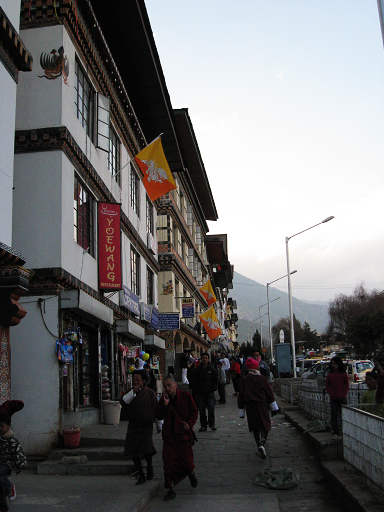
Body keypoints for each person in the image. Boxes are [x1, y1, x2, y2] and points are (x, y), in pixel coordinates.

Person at [156, 375, 199, 501]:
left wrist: (189, 424)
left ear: (175, 385)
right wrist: (164, 404)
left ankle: (191, 473)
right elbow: (158, 416)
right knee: (168, 464)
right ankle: (171, 489)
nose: (167, 388)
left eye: (169, 385)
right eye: (165, 386)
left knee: (186, 462)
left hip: (182, 435)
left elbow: (194, 412)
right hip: (169, 435)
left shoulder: (185, 396)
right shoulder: (164, 399)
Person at [119, 370, 157, 485]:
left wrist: (160, 425)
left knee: (147, 450)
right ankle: (141, 474)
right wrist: (133, 393)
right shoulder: (130, 393)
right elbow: (124, 402)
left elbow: (156, 409)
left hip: (146, 427)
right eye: (134, 380)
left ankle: (149, 468)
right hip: (134, 426)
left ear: (143, 381)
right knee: (133, 451)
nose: (136, 382)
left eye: (138, 380)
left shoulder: (150, 393)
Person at [238, 359, 278, 460]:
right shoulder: (262, 379)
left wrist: (241, 409)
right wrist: (273, 406)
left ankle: (258, 444)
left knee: (255, 426)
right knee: (265, 425)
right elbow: (269, 393)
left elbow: (241, 395)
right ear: (256, 367)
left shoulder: (245, 380)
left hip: (250, 407)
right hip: (261, 405)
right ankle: (262, 444)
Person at [0, 412, 27, 510]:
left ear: (8, 426)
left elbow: (19, 452)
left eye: (1, 426)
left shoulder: (11, 439)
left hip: (7, 464)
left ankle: (10, 487)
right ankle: (4, 508)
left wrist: (21, 464)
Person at [191, 353, 218, 431]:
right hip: (201, 392)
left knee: (211, 408)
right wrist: (196, 389)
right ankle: (203, 425)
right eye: (203, 358)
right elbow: (194, 380)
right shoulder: (197, 370)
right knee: (202, 409)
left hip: (210, 392)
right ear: (201, 359)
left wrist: (214, 388)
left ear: (208, 359)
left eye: (206, 358)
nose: (205, 360)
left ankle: (212, 424)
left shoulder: (212, 369)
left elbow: (215, 380)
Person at [325, 357, 349, 439]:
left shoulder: (343, 374)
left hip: (342, 398)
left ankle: (344, 431)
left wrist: (344, 393)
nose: (333, 366)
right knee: (334, 416)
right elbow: (327, 386)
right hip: (333, 399)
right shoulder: (330, 375)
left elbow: (347, 385)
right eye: (332, 364)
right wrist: (331, 393)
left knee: (343, 416)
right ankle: (335, 431)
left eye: (335, 364)